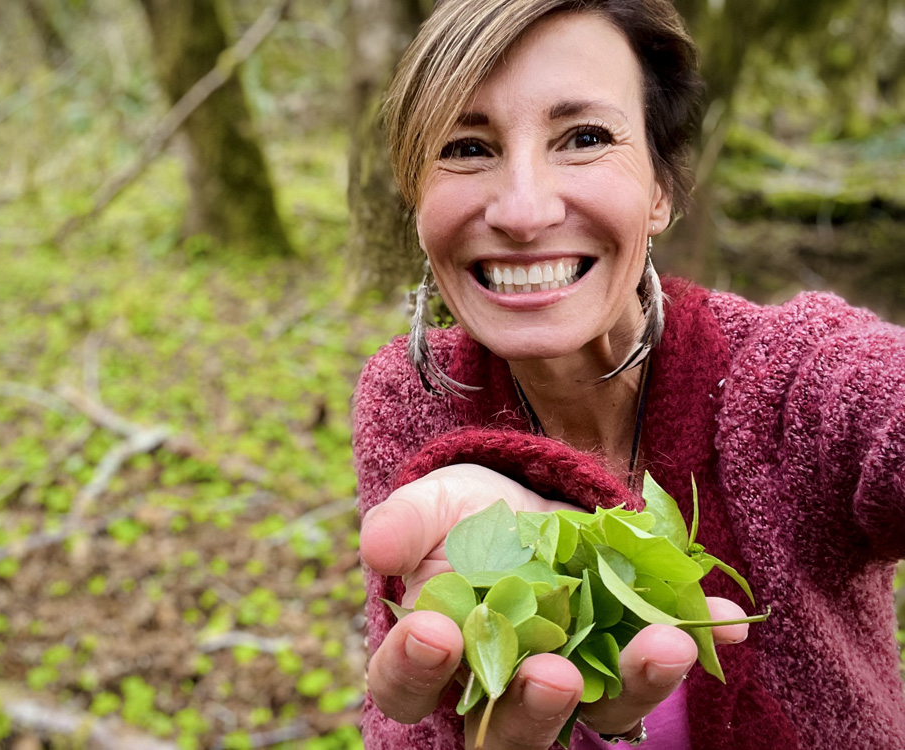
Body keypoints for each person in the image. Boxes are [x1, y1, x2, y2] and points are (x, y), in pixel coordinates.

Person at [352, 0, 905, 748]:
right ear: (418, 196)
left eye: (584, 138)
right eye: (467, 147)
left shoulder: (789, 380)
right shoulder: (411, 396)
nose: (522, 210)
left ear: (660, 190)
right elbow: (415, 714)